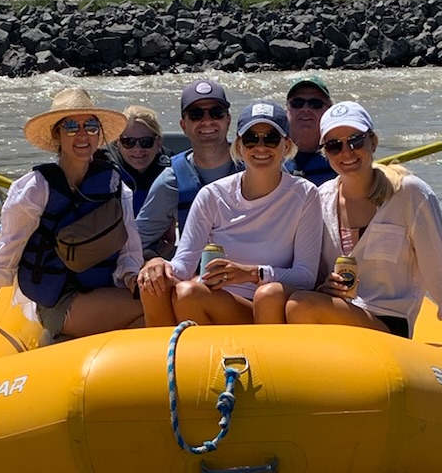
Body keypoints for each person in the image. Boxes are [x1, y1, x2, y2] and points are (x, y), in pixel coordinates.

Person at [276, 99, 442, 366]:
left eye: (355, 141)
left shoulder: (410, 193)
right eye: (334, 145)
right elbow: (312, 271)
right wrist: (323, 286)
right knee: (282, 298)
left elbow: (440, 271)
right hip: (338, 316)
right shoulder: (320, 199)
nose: (347, 152)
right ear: (326, 153)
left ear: (373, 143)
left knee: (299, 305)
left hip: (390, 323)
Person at [0, 86, 143, 343]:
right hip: (62, 301)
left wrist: (133, 280)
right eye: (71, 126)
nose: (82, 135)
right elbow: (8, 251)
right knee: (152, 307)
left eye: (90, 126)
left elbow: (129, 250)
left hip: (107, 290)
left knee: (156, 309)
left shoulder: (114, 183)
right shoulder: (34, 189)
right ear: (57, 135)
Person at [138, 101, 322, 328]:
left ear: (286, 146)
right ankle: (166, 358)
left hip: (270, 305)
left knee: (265, 294)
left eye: (271, 139)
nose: (261, 147)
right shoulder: (212, 196)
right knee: (163, 285)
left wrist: (253, 274)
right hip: (222, 302)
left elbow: (305, 277)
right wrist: (157, 264)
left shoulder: (305, 194)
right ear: (239, 147)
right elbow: (183, 266)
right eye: (251, 139)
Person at [134, 78, 236, 257]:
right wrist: (153, 261)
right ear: (183, 125)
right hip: (194, 279)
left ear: (228, 120)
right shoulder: (170, 181)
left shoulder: (256, 168)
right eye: (196, 114)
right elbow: (136, 244)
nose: (207, 121)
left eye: (216, 112)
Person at [285, 75, 336, 185]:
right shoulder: (268, 153)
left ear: (329, 110)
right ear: (286, 110)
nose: (306, 109)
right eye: (297, 103)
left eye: (315, 104)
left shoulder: (343, 156)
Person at [109, 104, 168, 198]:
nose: (138, 149)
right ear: (118, 143)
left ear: (158, 143)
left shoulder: (172, 169)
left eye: (145, 142)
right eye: (128, 142)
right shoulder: (106, 169)